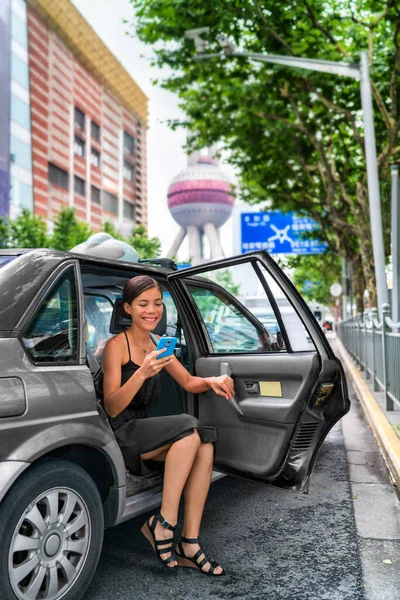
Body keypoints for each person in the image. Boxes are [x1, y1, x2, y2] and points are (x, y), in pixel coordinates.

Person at [102, 275, 234, 576]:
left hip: (143, 431)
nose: (152, 310)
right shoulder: (116, 346)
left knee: (203, 443)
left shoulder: (157, 344)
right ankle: (163, 524)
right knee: (190, 428)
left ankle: (189, 543)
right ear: (127, 308)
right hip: (119, 434)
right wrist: (142, 372)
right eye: (143, 304)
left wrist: (212, 381)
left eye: (158, 303)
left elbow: (187, 381)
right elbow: (111, 406)